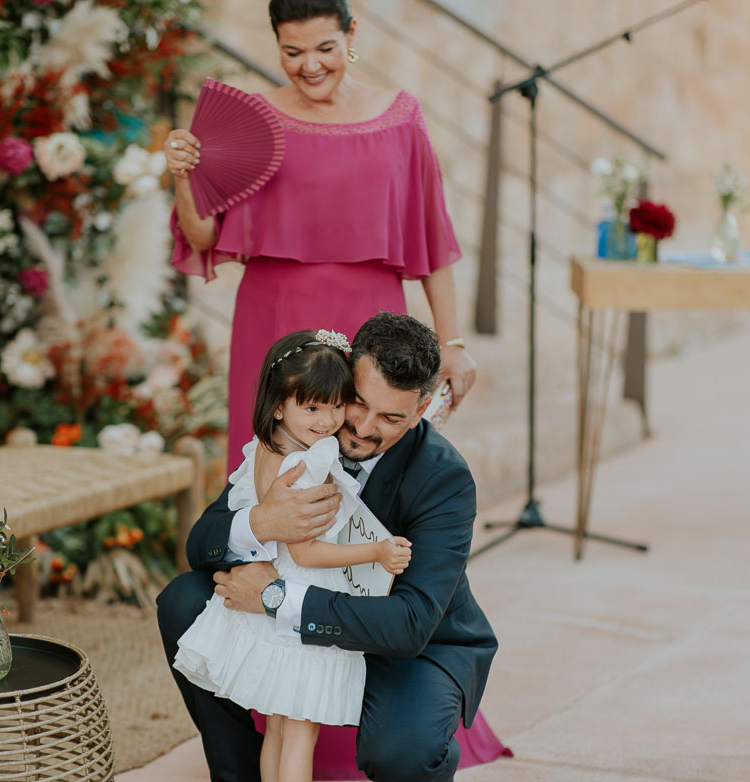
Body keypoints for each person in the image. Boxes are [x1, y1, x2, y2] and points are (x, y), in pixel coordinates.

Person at [158, 313, 499, 782]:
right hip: (312, 602)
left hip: (406, 643)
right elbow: (203, 544)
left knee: (403, 751)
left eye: (391, 417)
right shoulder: (306, 430)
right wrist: (262, 521)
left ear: (420, 412)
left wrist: (276, 599)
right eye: (357, 403)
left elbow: (410, 625)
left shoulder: (445, 479)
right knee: (183, 601)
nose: (361, 426)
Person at [165, 0, 477, 474]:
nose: (310, 66)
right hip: (272, 321)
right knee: (271, 467)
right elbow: (202, 236)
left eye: (325, 48)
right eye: (292, 52)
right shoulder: (252, 121)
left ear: (352, 34)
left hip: (372, 321)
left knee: (367, 466)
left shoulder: (402, 117)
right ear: (276, 45)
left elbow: (432, 240)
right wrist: (183, 177)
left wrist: (451, 343)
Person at [172, 328, 413, 782]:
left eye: (336, 405)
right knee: (300, 731)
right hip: (300, 609)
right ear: (280, 404)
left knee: (280, 728)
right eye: (312, 407)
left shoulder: (266, 446)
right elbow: (306, 553)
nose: (327, 421)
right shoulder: (309, 464)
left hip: (268, 605)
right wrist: (376, 551)